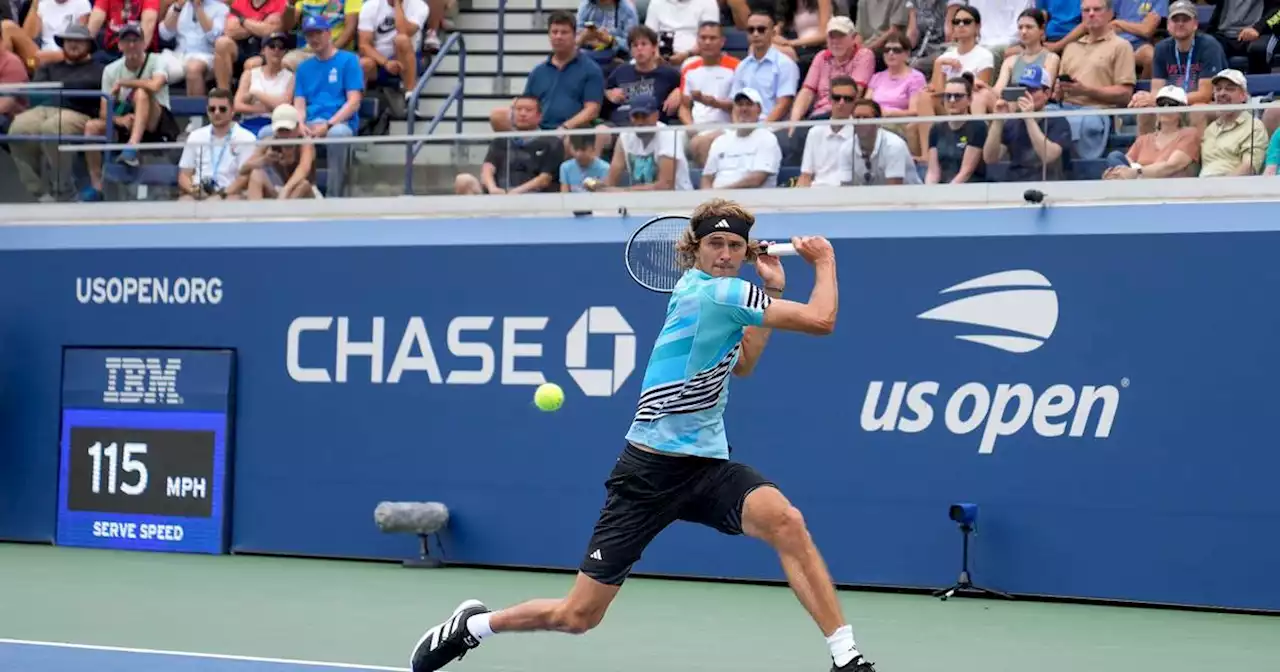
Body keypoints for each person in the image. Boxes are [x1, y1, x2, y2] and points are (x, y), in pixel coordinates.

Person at [407, 199, 878, 672]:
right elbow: (822, 319)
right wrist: (825, 261)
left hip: (707, 466)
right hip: (647, 473)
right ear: (694, 249)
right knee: (578, 616)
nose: (726, 254)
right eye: (716, 243)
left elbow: (745, 364)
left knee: (786, 522)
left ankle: (845, 656)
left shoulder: (729, 295)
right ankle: (473, 626)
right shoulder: (716, 294)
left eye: (735, 246)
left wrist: (771, 287)